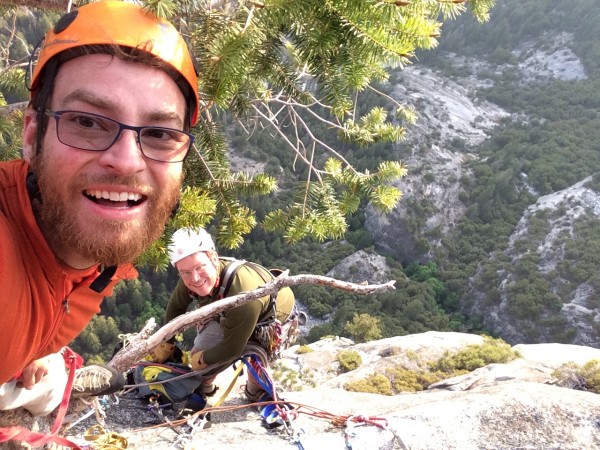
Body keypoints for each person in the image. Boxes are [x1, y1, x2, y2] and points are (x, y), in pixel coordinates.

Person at [0, 1, 199, 419]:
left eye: (160, 133)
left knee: (52, 379)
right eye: (87, 122)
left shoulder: (98, 248)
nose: (127, 162)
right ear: (33, 134)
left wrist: (37, 348)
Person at [160, 227, 298, 408]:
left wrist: (202, 359)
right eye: (185, 272)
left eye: (199, 267)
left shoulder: (244, 295)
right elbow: (176, 308)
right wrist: (166, 343)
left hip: (271, 316)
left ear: (214, 258)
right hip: (231, 310)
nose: (194, 278)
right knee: (202, 351)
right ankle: (206, 386)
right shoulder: (191, 275)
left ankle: (255, 389)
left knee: (226, 351)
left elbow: (232, 348)